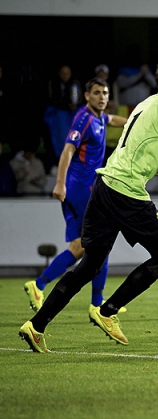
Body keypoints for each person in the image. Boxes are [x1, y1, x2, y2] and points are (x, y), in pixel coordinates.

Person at [19, 59, 158, 353]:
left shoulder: (145, 105)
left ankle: (36, 325)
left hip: (103, 185)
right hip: (127, 191)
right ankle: (108, 310)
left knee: (89, 264)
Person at [22, 78, 128, 314]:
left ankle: (93, 302)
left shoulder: (100, 117)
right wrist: (60, 183)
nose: (102, 97)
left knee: (88, 244)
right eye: (97, 93)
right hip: (81, 188)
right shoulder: (84, 119)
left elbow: (112, 119)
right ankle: (42, 285)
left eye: (105, 93)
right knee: (97, 242)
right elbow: (67, 150)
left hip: (81, 188)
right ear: (87, 96)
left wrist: (132, 123)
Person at [44, 64, 81, 162]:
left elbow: (77, 100)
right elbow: (52, 99)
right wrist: (65, 105)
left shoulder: (74, 85)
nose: (65, 76)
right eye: (63, 73)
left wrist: (73, 106)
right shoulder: (53, 84)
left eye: (67, 73)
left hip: (71, 115)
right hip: (58, 115)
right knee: (58, 139)